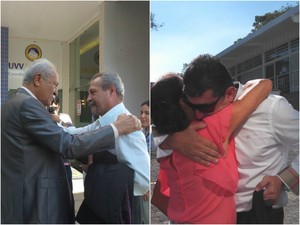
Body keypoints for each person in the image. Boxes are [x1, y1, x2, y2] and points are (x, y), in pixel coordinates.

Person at [157, 54, 299, 223]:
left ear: (230, 93)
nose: (198, 114)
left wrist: (283, 180)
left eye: (206, 107)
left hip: (258, 213)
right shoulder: (192, 119)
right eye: (192, 106)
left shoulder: (270, 108)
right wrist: (171, 139)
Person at [1, 58, 142, 224]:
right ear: (38, 79)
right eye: (54, 84)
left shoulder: (16, 103)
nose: (55, 92)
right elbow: (67, 144)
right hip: (36, 206)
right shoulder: (27, 105)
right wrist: (116, 128)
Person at [59, 72, 150, 223]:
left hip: (119, 212)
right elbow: (75, 134)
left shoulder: (129, 126)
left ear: (111, 91)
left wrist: (95, 168)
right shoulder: (104, 123)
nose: (88, 99)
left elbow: (143, 180)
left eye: (93, 92)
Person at [133, 100, 155, 224]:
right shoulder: (140, 133)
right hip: (139, 185)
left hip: (149, 186)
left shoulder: (155, 135)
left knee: (147, 219)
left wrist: (147, 186)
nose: (142, 116)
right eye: (141, 113)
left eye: (147, 113)